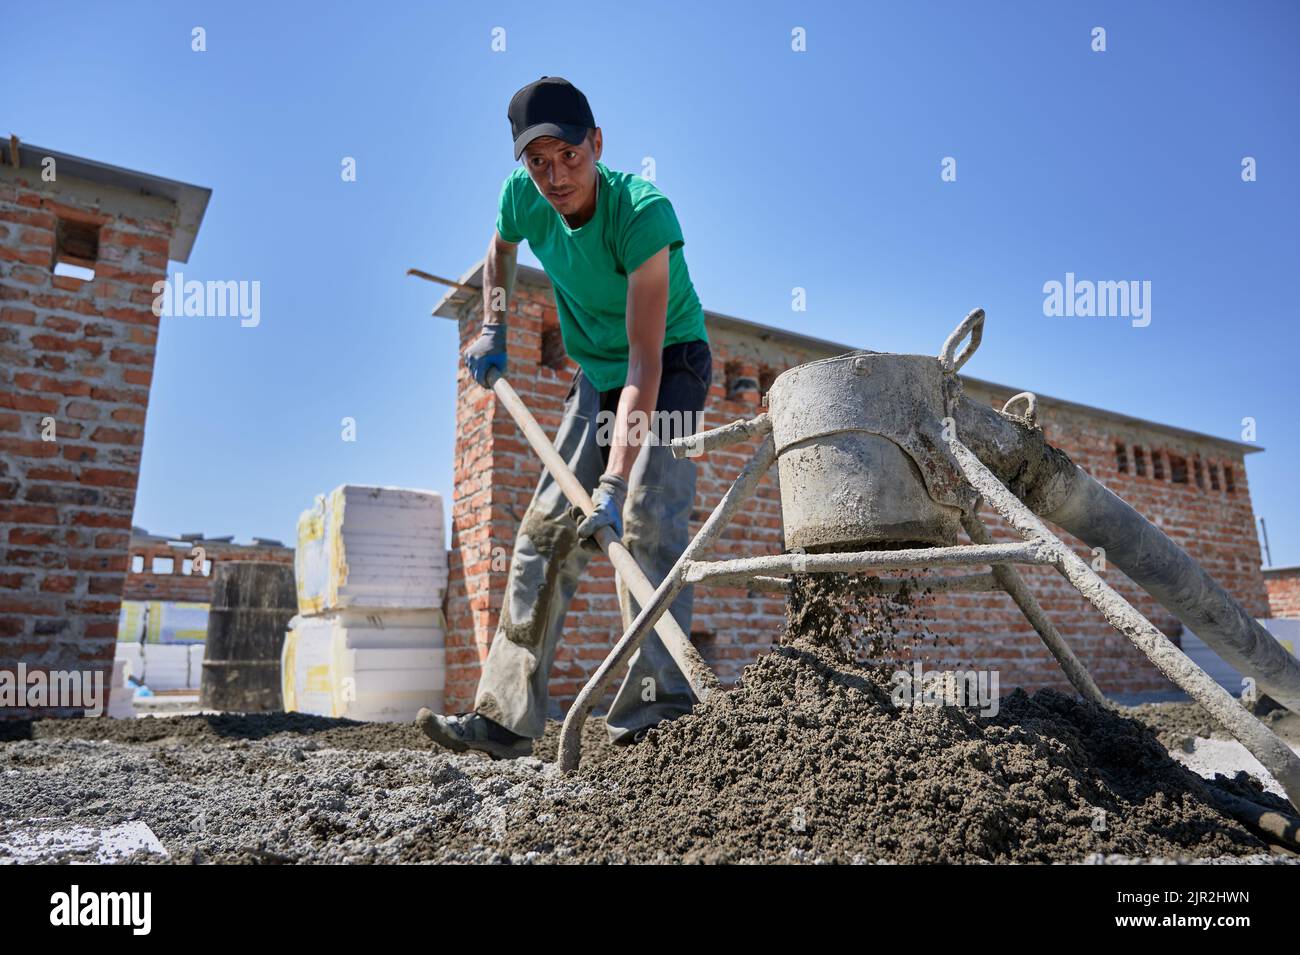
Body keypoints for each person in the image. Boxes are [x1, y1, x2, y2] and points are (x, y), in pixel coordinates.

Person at [417, 76, 712, 758]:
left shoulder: (643, 214)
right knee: (544, 534)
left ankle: (660, 712)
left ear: (597, 143)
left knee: (647, 520)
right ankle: (504, 718)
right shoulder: (521, 196)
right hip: (598, 370)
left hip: (669, 364)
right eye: (539, 162)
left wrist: (613, 482)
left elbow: (645, 362)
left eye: (569, 157)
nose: (555, 177)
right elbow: (500, 250)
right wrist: (493, 327)